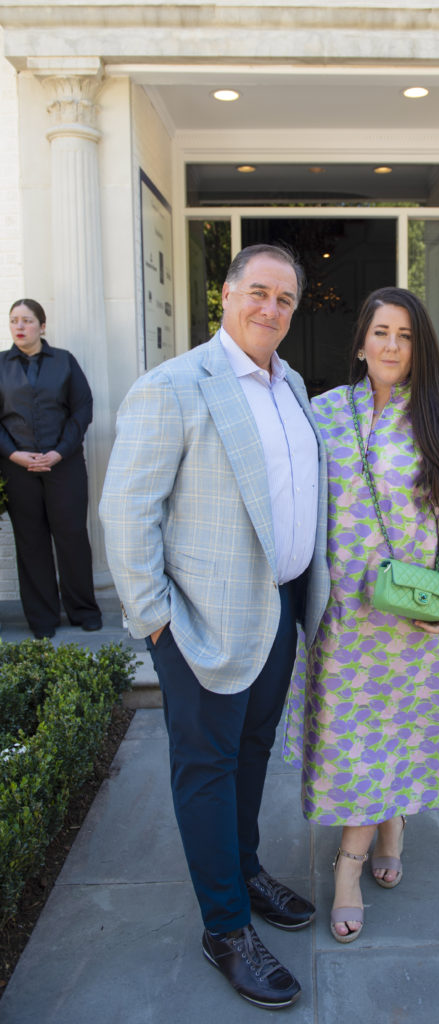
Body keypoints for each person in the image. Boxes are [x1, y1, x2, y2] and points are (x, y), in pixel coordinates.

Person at [99, 244, 329, 1011]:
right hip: (199, 625)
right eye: (257, 292)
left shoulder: (290, 382)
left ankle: (245, 867)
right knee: (206, 767)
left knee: (254, 750)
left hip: (281, 608)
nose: (271, 309)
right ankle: (225, 927)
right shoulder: (173, 386)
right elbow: (127, 515)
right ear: (225, 295)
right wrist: (157, 622)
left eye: (285, 299)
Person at [284, 286, 439, 942]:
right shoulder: (321, 415)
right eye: (381, 332)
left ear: (419, 348)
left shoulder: (438, 421)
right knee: (354, 740)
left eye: (405, 335)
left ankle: (349, 866)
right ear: (360, 341)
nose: (391, 346)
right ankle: (387, 825)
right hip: (342, 620)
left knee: (397, 732)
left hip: (410, 618)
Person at [0, 299, 101, 639]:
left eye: (27, 320)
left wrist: (59, 452)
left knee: (72, 537)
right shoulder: (0, 364)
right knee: (31, 542)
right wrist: (14, 455)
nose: (19, 326)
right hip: (18, 469)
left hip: (65, 466)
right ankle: (42, 619)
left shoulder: (64, 361)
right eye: (14, 320)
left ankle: (83, 610)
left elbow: (82, 409)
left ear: (42, 326)